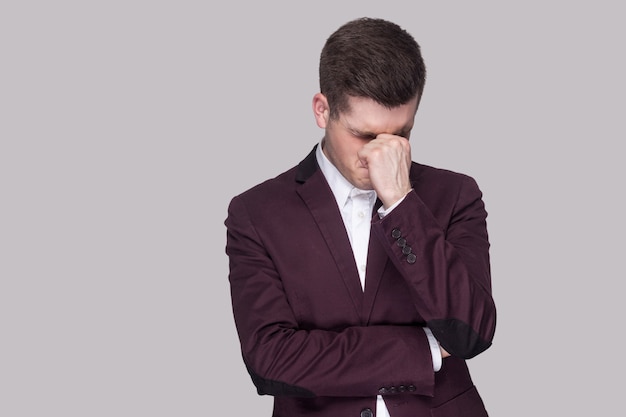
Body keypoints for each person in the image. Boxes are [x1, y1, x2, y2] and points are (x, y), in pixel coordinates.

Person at [225, 17, 496, 417]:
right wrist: (424, 349)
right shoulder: (256, 213)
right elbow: (271, 362)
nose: (380, 153)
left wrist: (402, 203)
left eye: (399, 134)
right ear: (322, 110)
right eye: (365, 136)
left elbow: (470, 332)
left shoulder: (455, 195)